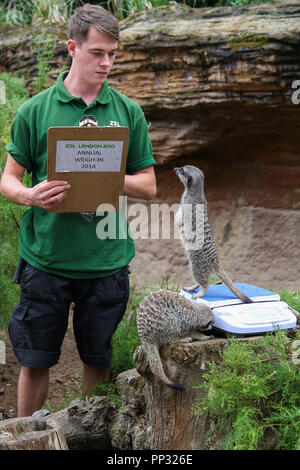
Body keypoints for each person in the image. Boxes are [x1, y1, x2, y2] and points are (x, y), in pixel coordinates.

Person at [0, 3, 156, 417]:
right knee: (34, 360)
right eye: (97, 53)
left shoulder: (127, 112)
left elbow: (149, 186)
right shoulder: (35, 110)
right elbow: (8, 181)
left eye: (113, 54)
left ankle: (87, 434)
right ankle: (23, 436)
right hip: (46, 260)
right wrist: (31, 195)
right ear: (73, 48)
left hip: (105, 260)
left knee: (97, 361)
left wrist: (106, 174)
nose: (107, 63)